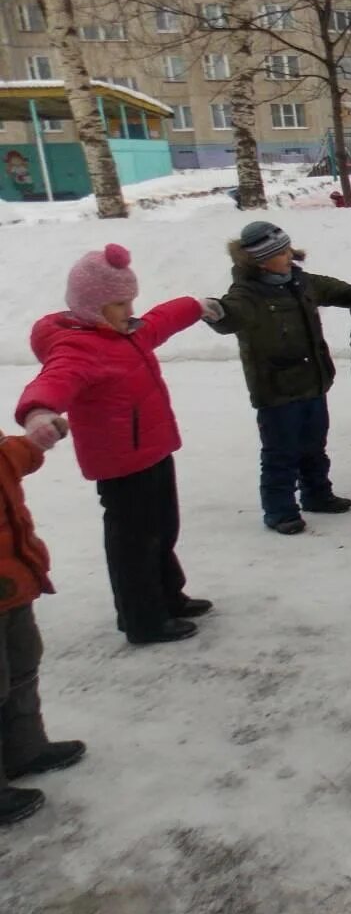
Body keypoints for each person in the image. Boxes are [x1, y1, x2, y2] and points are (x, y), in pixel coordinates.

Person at [17, 245, 213, 644]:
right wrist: (38, 412)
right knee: (134, 543)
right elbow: (54, 380)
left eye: (130, 301)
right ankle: (142, 619)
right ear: (92, 306)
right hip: (121, 463)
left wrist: (196, 306)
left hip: (154, 450)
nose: (130, 310)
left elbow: (160, 321)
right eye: (120, 303)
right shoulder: (77, 348)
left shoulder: (128, 333)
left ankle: (169, 598)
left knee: (163, 528)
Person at [203, 221, 351, 534]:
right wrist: (217, 312)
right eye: (280, 252)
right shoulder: (247, 293)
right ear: (261, 260)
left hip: (313, 380)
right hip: (276, 390)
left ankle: (317, 494)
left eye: (288, 249)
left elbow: (335, 290)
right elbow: (231, 314)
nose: (289, 255)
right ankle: (279, 510)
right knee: (280, 452)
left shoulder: (300, 281)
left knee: (314, 443)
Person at [0, 425, 86, 825]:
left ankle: (25, 749)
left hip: (11, 579)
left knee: (22, 662)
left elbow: (9, 458)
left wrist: (34, 442)